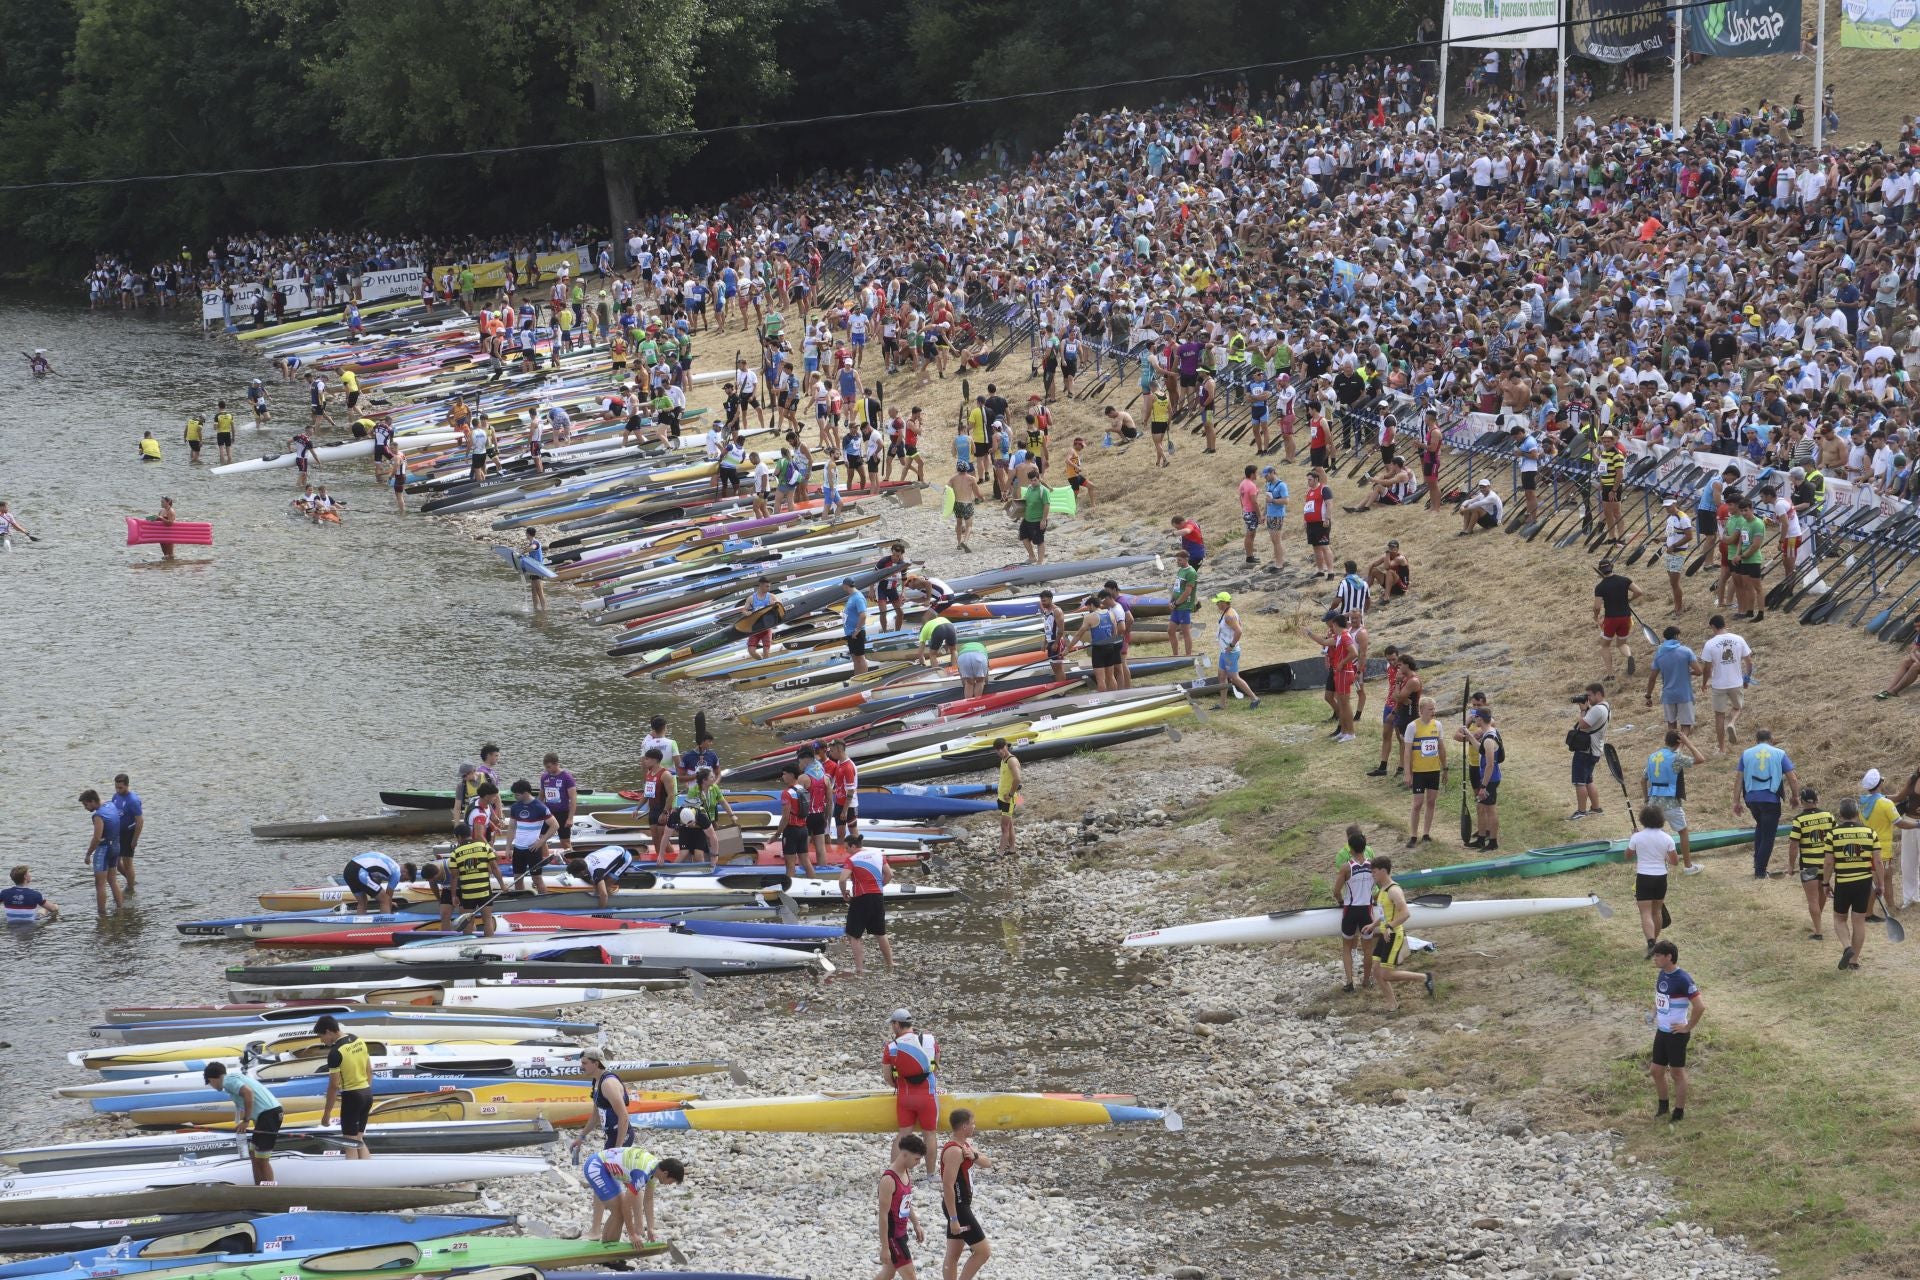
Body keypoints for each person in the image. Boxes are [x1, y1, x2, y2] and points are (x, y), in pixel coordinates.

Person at [1361, 856, 1434, 1010]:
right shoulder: (1382, 890)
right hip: (1384, 934)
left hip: (1394, 935)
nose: (1372, 875)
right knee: (1376, 970)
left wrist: (1389, 926)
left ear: (1383, 871)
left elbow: (1405, 914)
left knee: (1386, 974)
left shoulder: (1394, 890)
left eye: (1373, 872)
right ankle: (1392, 1004)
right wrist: (1373, 925)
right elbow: (1383, 915)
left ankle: (1425, 977)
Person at [582, 1144, 685, 1247]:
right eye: (672, 1181)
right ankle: (609, 1254)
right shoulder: (643, 1173)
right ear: (665, 1173)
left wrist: (650, 1228)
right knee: (618, 1211)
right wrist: (632, 1235)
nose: (670, 1184)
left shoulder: (655, 1168)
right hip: (595, 1166)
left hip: (604, 1166)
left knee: (619, 1210)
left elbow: (648, 1200)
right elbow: (626, 1206)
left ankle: (608, 1251)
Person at [1648, 939, 1704, 1124]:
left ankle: (1678, 1112)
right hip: (1662, 1031)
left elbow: (1700, 1006)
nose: (1654, 958)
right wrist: (1654, 1012)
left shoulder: (1683, 978)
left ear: (1669, 957)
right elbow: (1660, 997)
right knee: (1656, 1070)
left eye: (1657, 955)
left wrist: (1687, 1027)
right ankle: (1663, 1107)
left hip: (1676, 1034)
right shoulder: (1663, 974)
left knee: (1676, 1073)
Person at [1733, 729, 1799, 879]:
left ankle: (1758, 864)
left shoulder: (1746, 754)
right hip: (1770, 799)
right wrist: (1795, 796)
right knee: (1768, 835)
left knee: (1761, 827)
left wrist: (1736, 801)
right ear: (1771, 739)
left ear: (1756, 740)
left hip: (1751, 799)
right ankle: (1760, 871)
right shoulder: (1779, 753)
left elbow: (1738, 779)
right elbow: (1792, 778)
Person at [1826, 799, 1883, 971]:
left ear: (1841, 815)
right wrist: (1881, 884)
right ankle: (1854, 960)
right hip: (1864, 883)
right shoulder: (1870, 833)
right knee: (1859, 921)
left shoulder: (1833, 834)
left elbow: (1828, 863)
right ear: (1857, 813)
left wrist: (1824, 882)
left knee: (1839, 918)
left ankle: (1846, 947)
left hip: (1843, 882)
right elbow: (1878, 862)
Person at [203, 1062, 282, 1184]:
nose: (212, 1086)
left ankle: (270, 1192)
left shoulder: (227, 1081)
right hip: (266, 1116)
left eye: (210, 1083)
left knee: (262, 1160)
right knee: (253, 1154)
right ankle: (259, 1188)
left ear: (211, 1079)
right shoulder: (234, 1078)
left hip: (269, 1115)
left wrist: (245, 1121)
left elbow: (248, 1093)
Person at [884, 1011, 940, 1179]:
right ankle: (930, 1175)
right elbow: (934, 1067)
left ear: (896, 1024)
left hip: (905, 1097)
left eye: (892, 1024)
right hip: (927, 1096)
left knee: (903, 1135)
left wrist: (899, 1084)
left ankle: (895, 1174)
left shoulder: (891, 1047)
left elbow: (887, 1077)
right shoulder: (929, 1040)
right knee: (929, 1134)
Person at [940, 1110, 992, 1280]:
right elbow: (947, 1185)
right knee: (983, 1252)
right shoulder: (954, 1151)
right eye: (972, 1123)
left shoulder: (965, 1146)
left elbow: (987, 1163)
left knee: (953, 1254)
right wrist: (954, 1218)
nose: (974, 1126)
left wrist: (974, 1156)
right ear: (964, 1126)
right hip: (958, 1207)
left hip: (960, 1205)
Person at [1642, 730, 1703, 874]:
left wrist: (1646, 799)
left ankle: (1660, 865)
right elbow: (1700, 759)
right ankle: (1688, 866)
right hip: (1671, 802)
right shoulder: (1676, 758)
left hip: (1653, 801)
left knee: (1655, 833)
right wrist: (1687, 743)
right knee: (1683, 831)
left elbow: (1643, 779)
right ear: (1679, 742)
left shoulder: (1653, 756)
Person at [313, 1014, 373, 1160]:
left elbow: (334, 1086)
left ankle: (353, 1180)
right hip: (367, 1094)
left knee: (350, 1145)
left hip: (352, 1097)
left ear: (328, 1031)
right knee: (358, 1140)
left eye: (321, 1036)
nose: (321, 1040)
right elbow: (369, 1070)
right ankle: (369, 1175)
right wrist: (366, 1090)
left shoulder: (335, 1053)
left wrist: (326, 1114)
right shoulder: (358, 1040)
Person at [837, 833, 894, 975]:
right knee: (880, 932)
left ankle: (859, 969)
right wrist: (880, 886)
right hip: (877, 897)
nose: (846, 851)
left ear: (853, 846)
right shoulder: (878, 854)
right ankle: (890, 964)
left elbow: (842, 879)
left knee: (853, 935)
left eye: (847, 848)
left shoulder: (852, 859)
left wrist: (844, 893)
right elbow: (889, 874)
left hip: (861, 898)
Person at [1629, 804, 1679, 957]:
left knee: (1645, 913)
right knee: (1657, 911)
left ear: (1643, 820)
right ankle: (1654, 942)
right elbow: (1675, 861)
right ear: (1660, 819)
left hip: (1644, 877)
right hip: (1660, 877)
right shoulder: (1667, 838)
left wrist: (1632, 838)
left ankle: (1651, 942)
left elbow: (1628, 855)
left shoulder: (1637, 837)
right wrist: (1663, 856)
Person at [1698, 615, 1753, 754]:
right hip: (1736, 681)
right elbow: (1749, 662)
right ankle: (1732, 722)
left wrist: (1704, 683)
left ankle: (1722, 748)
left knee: (1719, 715)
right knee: (1738, 707)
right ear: (1725, 624)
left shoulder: (1710, 644)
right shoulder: (1738, 639)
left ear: (1712, 626)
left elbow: (1707, 669)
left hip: (1718, 684)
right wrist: (1747, 678)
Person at [1330, 826, 1375, 993]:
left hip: (1350, 910)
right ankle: (1366, 980)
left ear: (1349, 848)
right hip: (1367, 910)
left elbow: (1336, 891)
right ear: (1365, 846)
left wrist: (1341, 901)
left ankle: (1349, 982)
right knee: (1368, 948)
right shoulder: (1374, 866)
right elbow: (1378, 888)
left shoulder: (1346, 867)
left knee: (1347, 947)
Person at [877, 1135, 928, 1280]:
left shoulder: (905, 1171)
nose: (918, 1163)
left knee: (887, 1274)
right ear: (904, 1154)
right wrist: (885, 1247)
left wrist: (916, 1223)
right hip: (893, 1237)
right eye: (916, 1159)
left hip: (902, 1232)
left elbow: (905, 1202)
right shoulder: (889, 1180)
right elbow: (882, 1216)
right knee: (911, 1276)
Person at [1787, 786, 1835, 940]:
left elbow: (1794, 845)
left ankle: (1818, 931)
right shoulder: (1828, 816)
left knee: (1812, 899)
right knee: (1822, 894)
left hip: (1809, 864)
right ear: (1817, 800)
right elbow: (1836, 839)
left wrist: (1790, 865)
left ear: (1801, 801)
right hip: (1826, 864)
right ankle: (1817, 922)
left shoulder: (1799, 820)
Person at [446, 820, 505, 933]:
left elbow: (454, 877)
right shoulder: (484, 847)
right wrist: (502, 885)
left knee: (468, 922)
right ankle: (489, 944)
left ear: (458, 837)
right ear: (471, 833)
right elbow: (494, 868)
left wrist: (453, 896)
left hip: (468, 894)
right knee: (487, 920)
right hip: (485, 891)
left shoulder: (455, 853)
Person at [1644, 626, 1701, 741]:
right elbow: (1699, 671)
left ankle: (1672, 748)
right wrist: (1689, 672)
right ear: (1676, 636)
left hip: (1668, 695)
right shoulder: (1686, 651)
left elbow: (1652, 678)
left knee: (1671, 725)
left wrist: (1648, 695)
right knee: (1685, 725)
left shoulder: (1659, 654)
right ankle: (1679, 748)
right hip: (1684, 694)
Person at [1567, 682, 1610, 821]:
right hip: (1595, 750)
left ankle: (1581, 811)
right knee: (1588, 780)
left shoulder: (1597, 709)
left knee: (1579, 781)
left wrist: (1583, 710)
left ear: (1598, 694)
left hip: (1586, 751)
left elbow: (1583, 724)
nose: (1587, 698)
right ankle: (1596, 808)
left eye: (1589, 695)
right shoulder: (1606, 707)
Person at [1592, 560, 1642, 680]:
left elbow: (1597, 606)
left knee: (1604, 645)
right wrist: (1629, 601)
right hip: (1626, 617)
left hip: (1611, 619)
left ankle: (1611, 675)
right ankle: (1629, 656)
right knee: (1622, 643)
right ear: (1612, 567)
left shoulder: (1600, 587)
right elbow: (1639, 592)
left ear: (1600, 571)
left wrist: (1596, 616)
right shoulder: (1624, 580)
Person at [506, 779, 559, 891]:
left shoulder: (540, 807)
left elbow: (555, 825)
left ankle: (543, 902)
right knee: (517, 878)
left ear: (525, 793)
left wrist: (541, 841)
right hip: (518, 849)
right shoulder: (515, 807)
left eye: (517, 794)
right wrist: (508, 848)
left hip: (533, 850)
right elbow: (511, 828)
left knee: (537, 879)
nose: (515, 797)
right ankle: (521, 901)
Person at [1211, 592, 1259, 710]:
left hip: (1230, 653)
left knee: (1234, 678)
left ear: (1223, 602)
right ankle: (1222, 704)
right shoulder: (1228, 612)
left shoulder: (1229, 616)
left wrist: (1232, 645)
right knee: (1221, 676)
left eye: (1218, 602)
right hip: (1225, 652)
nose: (1216, 604)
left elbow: (1239, 631)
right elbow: (1240, 625)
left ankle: (1254, 698)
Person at [1462, 707, 1502, 849]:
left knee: (1490, 810)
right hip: (1487, 777)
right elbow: (1481, 748)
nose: (1474, 720)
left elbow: (1490, 764)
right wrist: (1468, 734)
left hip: (1490, 779)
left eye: (1475, 717)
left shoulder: (1489, 738)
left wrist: (1483, 786)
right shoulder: (1487, 734)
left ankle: (1493, 842)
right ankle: (1481, 838)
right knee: (1481, 807)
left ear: (1480, 719)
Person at [79, 789, 122, 916]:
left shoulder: (98, 816)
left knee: (100, 884)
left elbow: (97, 838)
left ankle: (102, 915)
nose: (86, 808)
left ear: (92, 801)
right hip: (116, 846)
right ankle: (120, 908)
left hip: (104, 849)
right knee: (113, 880)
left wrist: (88, 854)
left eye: (86, 805)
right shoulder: (111, 805)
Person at [566, 845, 635, 911]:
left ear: (582, 871)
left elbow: (604, 895)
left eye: (574, 875)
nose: (574, 877)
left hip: (624, 857)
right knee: (597, 884)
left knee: (605, 887)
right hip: (613, 849)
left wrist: (599, 913)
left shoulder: (596, 872)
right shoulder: (584, 861)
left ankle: (607, 898)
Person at [777, 763, 815, 877]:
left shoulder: (786, 793)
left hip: (791, 831)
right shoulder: (803, 790)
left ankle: (790, 890)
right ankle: (813, 885)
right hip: (803, 829)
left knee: (790, 864)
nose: (782, 776)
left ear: (791, 775)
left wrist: (777, 833)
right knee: (806, 862)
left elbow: (785, 817)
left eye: (784, 774)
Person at [1658, 497, 1693, 614]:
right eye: (1666, 507)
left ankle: (1679, 608)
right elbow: (1671, 535)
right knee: (1673, 583)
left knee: (1674, 582)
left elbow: (1689, 536)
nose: (1667, 508)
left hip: (1678, 552)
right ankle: (1676, 607)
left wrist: (1674, 546)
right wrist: (1661, 539)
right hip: (1670, 552)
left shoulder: (1683, 518)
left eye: (1669, 506)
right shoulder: (1671, 518)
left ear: (1675, 504)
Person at [110, 773, 143, 894]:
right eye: (116, 787)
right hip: (117, 833)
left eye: (121, 788)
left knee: (128, 862)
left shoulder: (133, 801)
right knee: (117, 863)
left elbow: (140, 821)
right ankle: (131, 880)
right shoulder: (115, 796)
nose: (118, 790)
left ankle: (130, 888)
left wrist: (135, 840)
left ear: (127, 786)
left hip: (129, 833)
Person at [541, 752, 578, 854]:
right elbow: (541, 796)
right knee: (541, 838)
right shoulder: (544, 777)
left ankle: (573, 862)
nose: (547, 770)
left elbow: (573, 799)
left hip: (563, 813)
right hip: (548, 813)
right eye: (545, 767)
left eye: (549, 767)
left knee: (565, 841)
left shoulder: (567, 777)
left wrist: (570, 818)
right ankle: (545, 860)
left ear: (557, 764)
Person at [1166, 548, 1198, 657]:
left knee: (1185, 632)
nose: (1177, 562)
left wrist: (1176, 603)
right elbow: (1176, 588)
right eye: (1177, 560)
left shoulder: (1191, 572)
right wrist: (1171, 601)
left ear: (1186, 559)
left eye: (1179, 560)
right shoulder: (1180, 570)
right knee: (1170, 631)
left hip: (1184, 607)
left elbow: (1187, 592)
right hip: (1176, 606)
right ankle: (1175, 655)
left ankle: (1188, 655)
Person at [993, 739, 1020, 856]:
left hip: (1010, 799)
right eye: (997, 749)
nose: (1000, 751)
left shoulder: (1011, 760)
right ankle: (1012, 848)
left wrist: (1010, 794)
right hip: (1003, 798)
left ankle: (1000, 853)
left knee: (1004, 827)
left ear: (1006, 746)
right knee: (1009, 825)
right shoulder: (1003, 760)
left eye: (1001, 748)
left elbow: (1018, 779)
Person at [1017, 464, 1048, 563]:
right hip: (1027, 519)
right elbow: (1026, 501)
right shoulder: (1030, 488)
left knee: (1039, 541)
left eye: (1035, 480)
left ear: (1039, 479)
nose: (1033, 482)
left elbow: (1047, 506)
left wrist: (1043, 520)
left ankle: (1040, 561)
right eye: (1031, 480)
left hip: (1038, 520)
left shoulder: (1043, 491)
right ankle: (1032, 556)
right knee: (1023, 536)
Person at [1260, 465, 1288, 570]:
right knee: (1274, 541)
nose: (1265, 478)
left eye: (1266, 475)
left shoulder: (1282, 485)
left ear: (1272, 473)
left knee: (1277, 540)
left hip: (1278, 515)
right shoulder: (1268, 484)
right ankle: (1278, 561)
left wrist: (1273, 501)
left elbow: (1286, 501)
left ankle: (1280, 564)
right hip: (1270, 515)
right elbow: (1267, 501)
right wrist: (1264, 514)